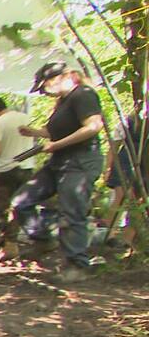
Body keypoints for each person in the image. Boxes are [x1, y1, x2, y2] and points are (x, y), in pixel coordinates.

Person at [9, 62, 105, 282]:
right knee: (21, 201)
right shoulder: (62, 102)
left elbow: (93, 126)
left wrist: (57, 144)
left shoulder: (84, 94)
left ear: (63, 77)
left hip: (80, 161)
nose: (44, 92)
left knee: (71, 212)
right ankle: (43, 239)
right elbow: (53, 131)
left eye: (45, 87)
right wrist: (33, 132)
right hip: (58, 161)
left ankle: (77, 265)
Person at [0, 95, 37, 233]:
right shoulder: (25, 118)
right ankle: (36, 236)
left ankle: (8, 241)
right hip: (27, 167)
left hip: (7, 169)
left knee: (3, 207)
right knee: (25, 205)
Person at [99, 111, 143, 245]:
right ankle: (108, 234)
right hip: (126, 159)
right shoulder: (129, 120)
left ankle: (127, 240)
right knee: (121, 195)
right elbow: (114, 145)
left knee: (138, 199)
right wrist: (108, 167)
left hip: (145, 161)